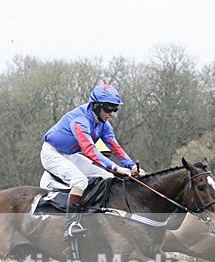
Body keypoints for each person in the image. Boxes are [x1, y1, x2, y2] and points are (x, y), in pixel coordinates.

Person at [40, 84, 144, 244]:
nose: (112, 114)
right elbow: (89, 150)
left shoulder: (104, 125)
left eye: (115, 109)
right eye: (109, 109)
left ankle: (100, 216)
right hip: (52, 153)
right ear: (96, 106)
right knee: (80, 181)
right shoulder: (80, 121)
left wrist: (131, 167)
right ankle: (70, 225)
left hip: (70, 154)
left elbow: (115, 148)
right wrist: (117, 168)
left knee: (107, 177)